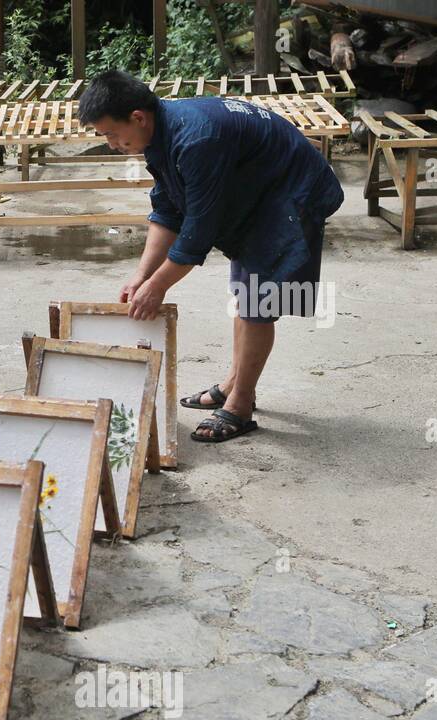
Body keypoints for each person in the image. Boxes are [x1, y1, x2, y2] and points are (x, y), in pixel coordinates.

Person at [77, 70, 344, 443]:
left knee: (257, 302)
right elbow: (169, 210)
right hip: (257, 190)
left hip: (292, 193)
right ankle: (234, 382)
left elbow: (196, 235)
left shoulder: (196, 138)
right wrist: (142, 275)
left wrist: (157, 286)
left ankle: (240, 404)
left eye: (109, 134)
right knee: (245, 293)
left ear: (137, 117)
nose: (110, 144)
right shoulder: (159, 133)